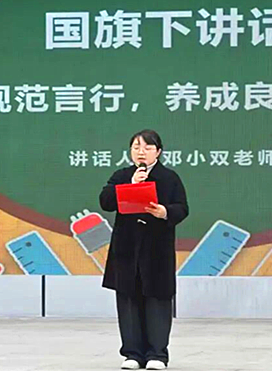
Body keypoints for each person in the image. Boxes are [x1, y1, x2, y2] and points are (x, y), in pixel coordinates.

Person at [99, 129, 189, 370]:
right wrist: (130, 185)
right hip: (127, 249)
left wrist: (165, 212)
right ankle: (132, 354)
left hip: (156, 249)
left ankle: (157, 354)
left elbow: (182, 208)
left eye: (147, 148)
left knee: (157, 301)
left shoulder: (169, 178)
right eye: (136, 147)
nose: (141, 152)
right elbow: (105, 201)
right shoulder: (122, 175)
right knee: (128, 301)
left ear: (158, 152)